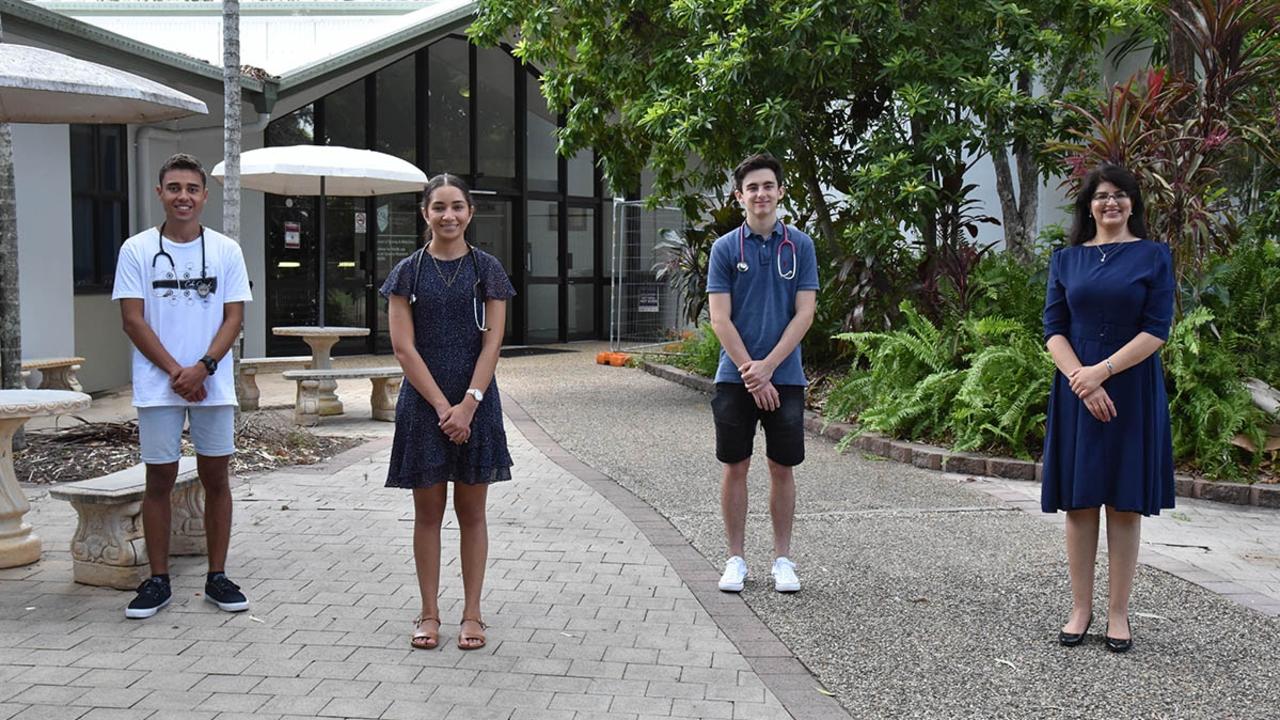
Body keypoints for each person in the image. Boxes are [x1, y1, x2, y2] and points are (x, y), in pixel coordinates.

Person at [112, 153, 254, 619]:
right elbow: (133, 320)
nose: (183, 197)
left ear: (204, 196)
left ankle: (217, 576)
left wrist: (205, 367)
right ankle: (157, 580)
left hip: (211, 384)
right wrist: (178, 371)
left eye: (192, 189)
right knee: (160, 479)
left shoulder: (225, 250)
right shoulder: (135, 250)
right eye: (174, 188)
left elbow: (234, 316)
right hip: (159, 386)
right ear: (160, 194)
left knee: (217, 478)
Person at [1042, 163, 1175, 653]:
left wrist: (1103, 373)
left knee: (1123, 503)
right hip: (1077, 391)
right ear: (1088, 206)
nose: (1111, 203)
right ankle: (1081, 607)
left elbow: (1157, 329)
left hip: (1130, 390)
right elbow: (1053, 327)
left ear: (1133, 203)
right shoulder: (1066, 260)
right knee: (1079, 503)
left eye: (1120, 195)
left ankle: (1118, 613)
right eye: (1101, 196)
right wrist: (1082, 378)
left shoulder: (1154, 257)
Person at [380, 173, 515, 650]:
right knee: (428, 514)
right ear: (425, 213)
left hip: (476, 403)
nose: (449, 215)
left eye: (457, 206)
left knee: (473, 513)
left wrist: (469, 405)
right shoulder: (406, 273)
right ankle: (429, 612)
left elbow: (493, 341)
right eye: (439, 207)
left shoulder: (488, 270)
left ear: (470, 212)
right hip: (425, 406)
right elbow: (402, 347)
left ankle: (473, 614)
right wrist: (444, 408)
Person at [706, 153, 819, 594]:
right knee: (736, 465)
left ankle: (783, 560)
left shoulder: (801, 247)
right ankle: (735, 559)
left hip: (786, 377)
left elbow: (804, 313)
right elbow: (720, 318)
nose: (761, 194)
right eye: (752, 187)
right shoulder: (724, 249)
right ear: (739, 196)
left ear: (780, 192)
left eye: (768, 185)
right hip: (735, 378)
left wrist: (769, 368)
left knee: (782, 467)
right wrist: (751, 373)